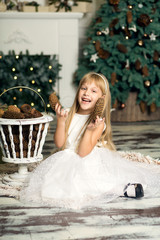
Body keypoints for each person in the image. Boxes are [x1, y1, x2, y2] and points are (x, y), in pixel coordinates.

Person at [20, 72, 160, 209]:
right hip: (66, 157)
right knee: (54, 186)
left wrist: (89, 130)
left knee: (94, 182)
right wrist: (61, 121)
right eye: (84, 88)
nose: (87, 93)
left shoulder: (99, 123)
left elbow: (82, 152)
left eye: (94, 91)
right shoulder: (68, 113)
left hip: (88, 158)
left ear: (101, 99)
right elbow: (60, 143)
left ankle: (121, 188)